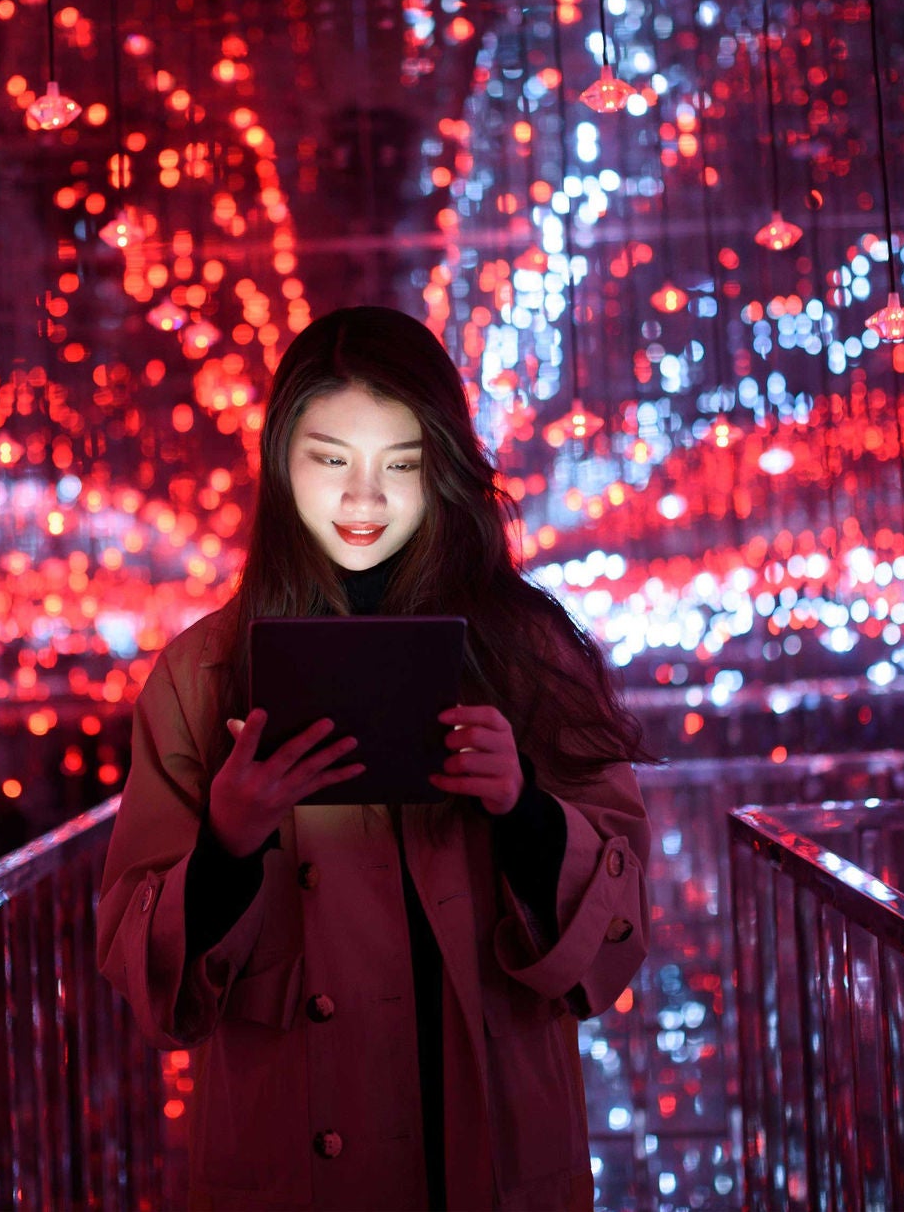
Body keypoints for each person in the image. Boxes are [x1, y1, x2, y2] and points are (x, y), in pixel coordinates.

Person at [97, 305, 653, 1210]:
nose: (366, 500)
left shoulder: (526, 649)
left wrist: (524, 811)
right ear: (281, 463)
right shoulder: (202, 672)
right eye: (330, 460)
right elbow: (138, 968)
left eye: (403, 464)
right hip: (293, 1146)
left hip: (493, 1138)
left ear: (448, 468)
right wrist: (225, 848)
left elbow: (626, 919)